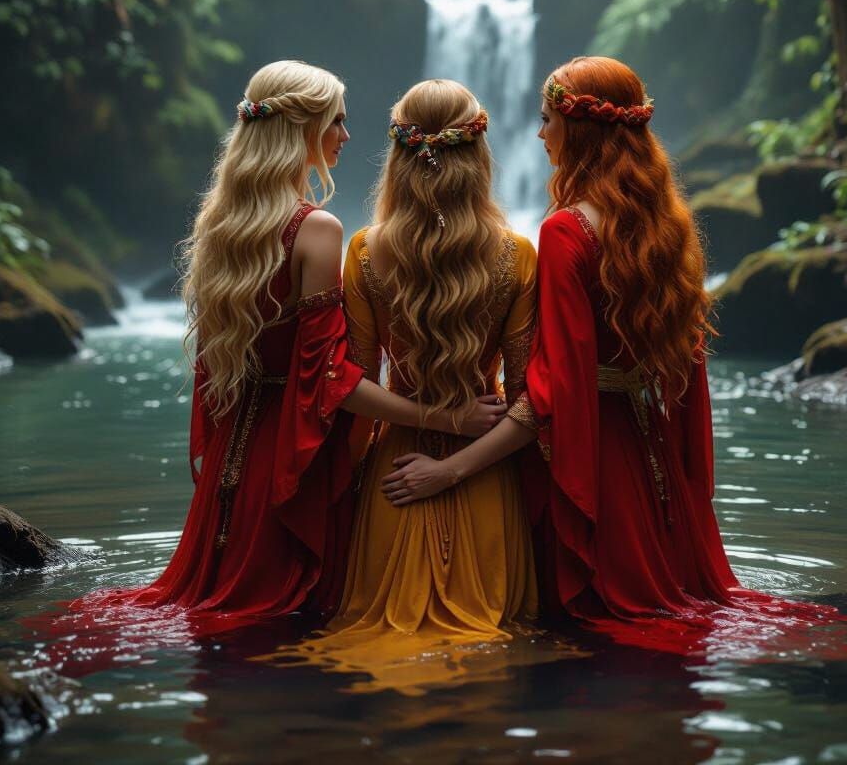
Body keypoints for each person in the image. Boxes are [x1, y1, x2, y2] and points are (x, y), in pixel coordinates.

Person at [382, 56, 847, 656]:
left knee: (605, 620)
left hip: (595, 453)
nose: (538, 135)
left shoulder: (565, 233)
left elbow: (553, 391)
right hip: (650, 439)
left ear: (577, 130)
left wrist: (450, 469)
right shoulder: (665, 224)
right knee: (681, 601)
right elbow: (684, 363)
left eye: (547, 119)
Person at [39, 62, 506, 645]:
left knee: (211, 599)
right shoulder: (318, 230)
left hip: (235, 446)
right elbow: (334, 380)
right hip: (290, 450)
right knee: (279, 613)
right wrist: (443, 418)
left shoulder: (221, 225)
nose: (347, 135)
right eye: (338, 120)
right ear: (305, 131)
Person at [266, 79, 544, 693]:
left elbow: (348, 383)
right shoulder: (519, 254)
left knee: (371, 639)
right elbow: (533, 406)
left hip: (396, 471)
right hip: (487, 470)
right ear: (480, 157)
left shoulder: (366, 251)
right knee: (495, 652)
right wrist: (454, 466)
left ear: (398, 156)